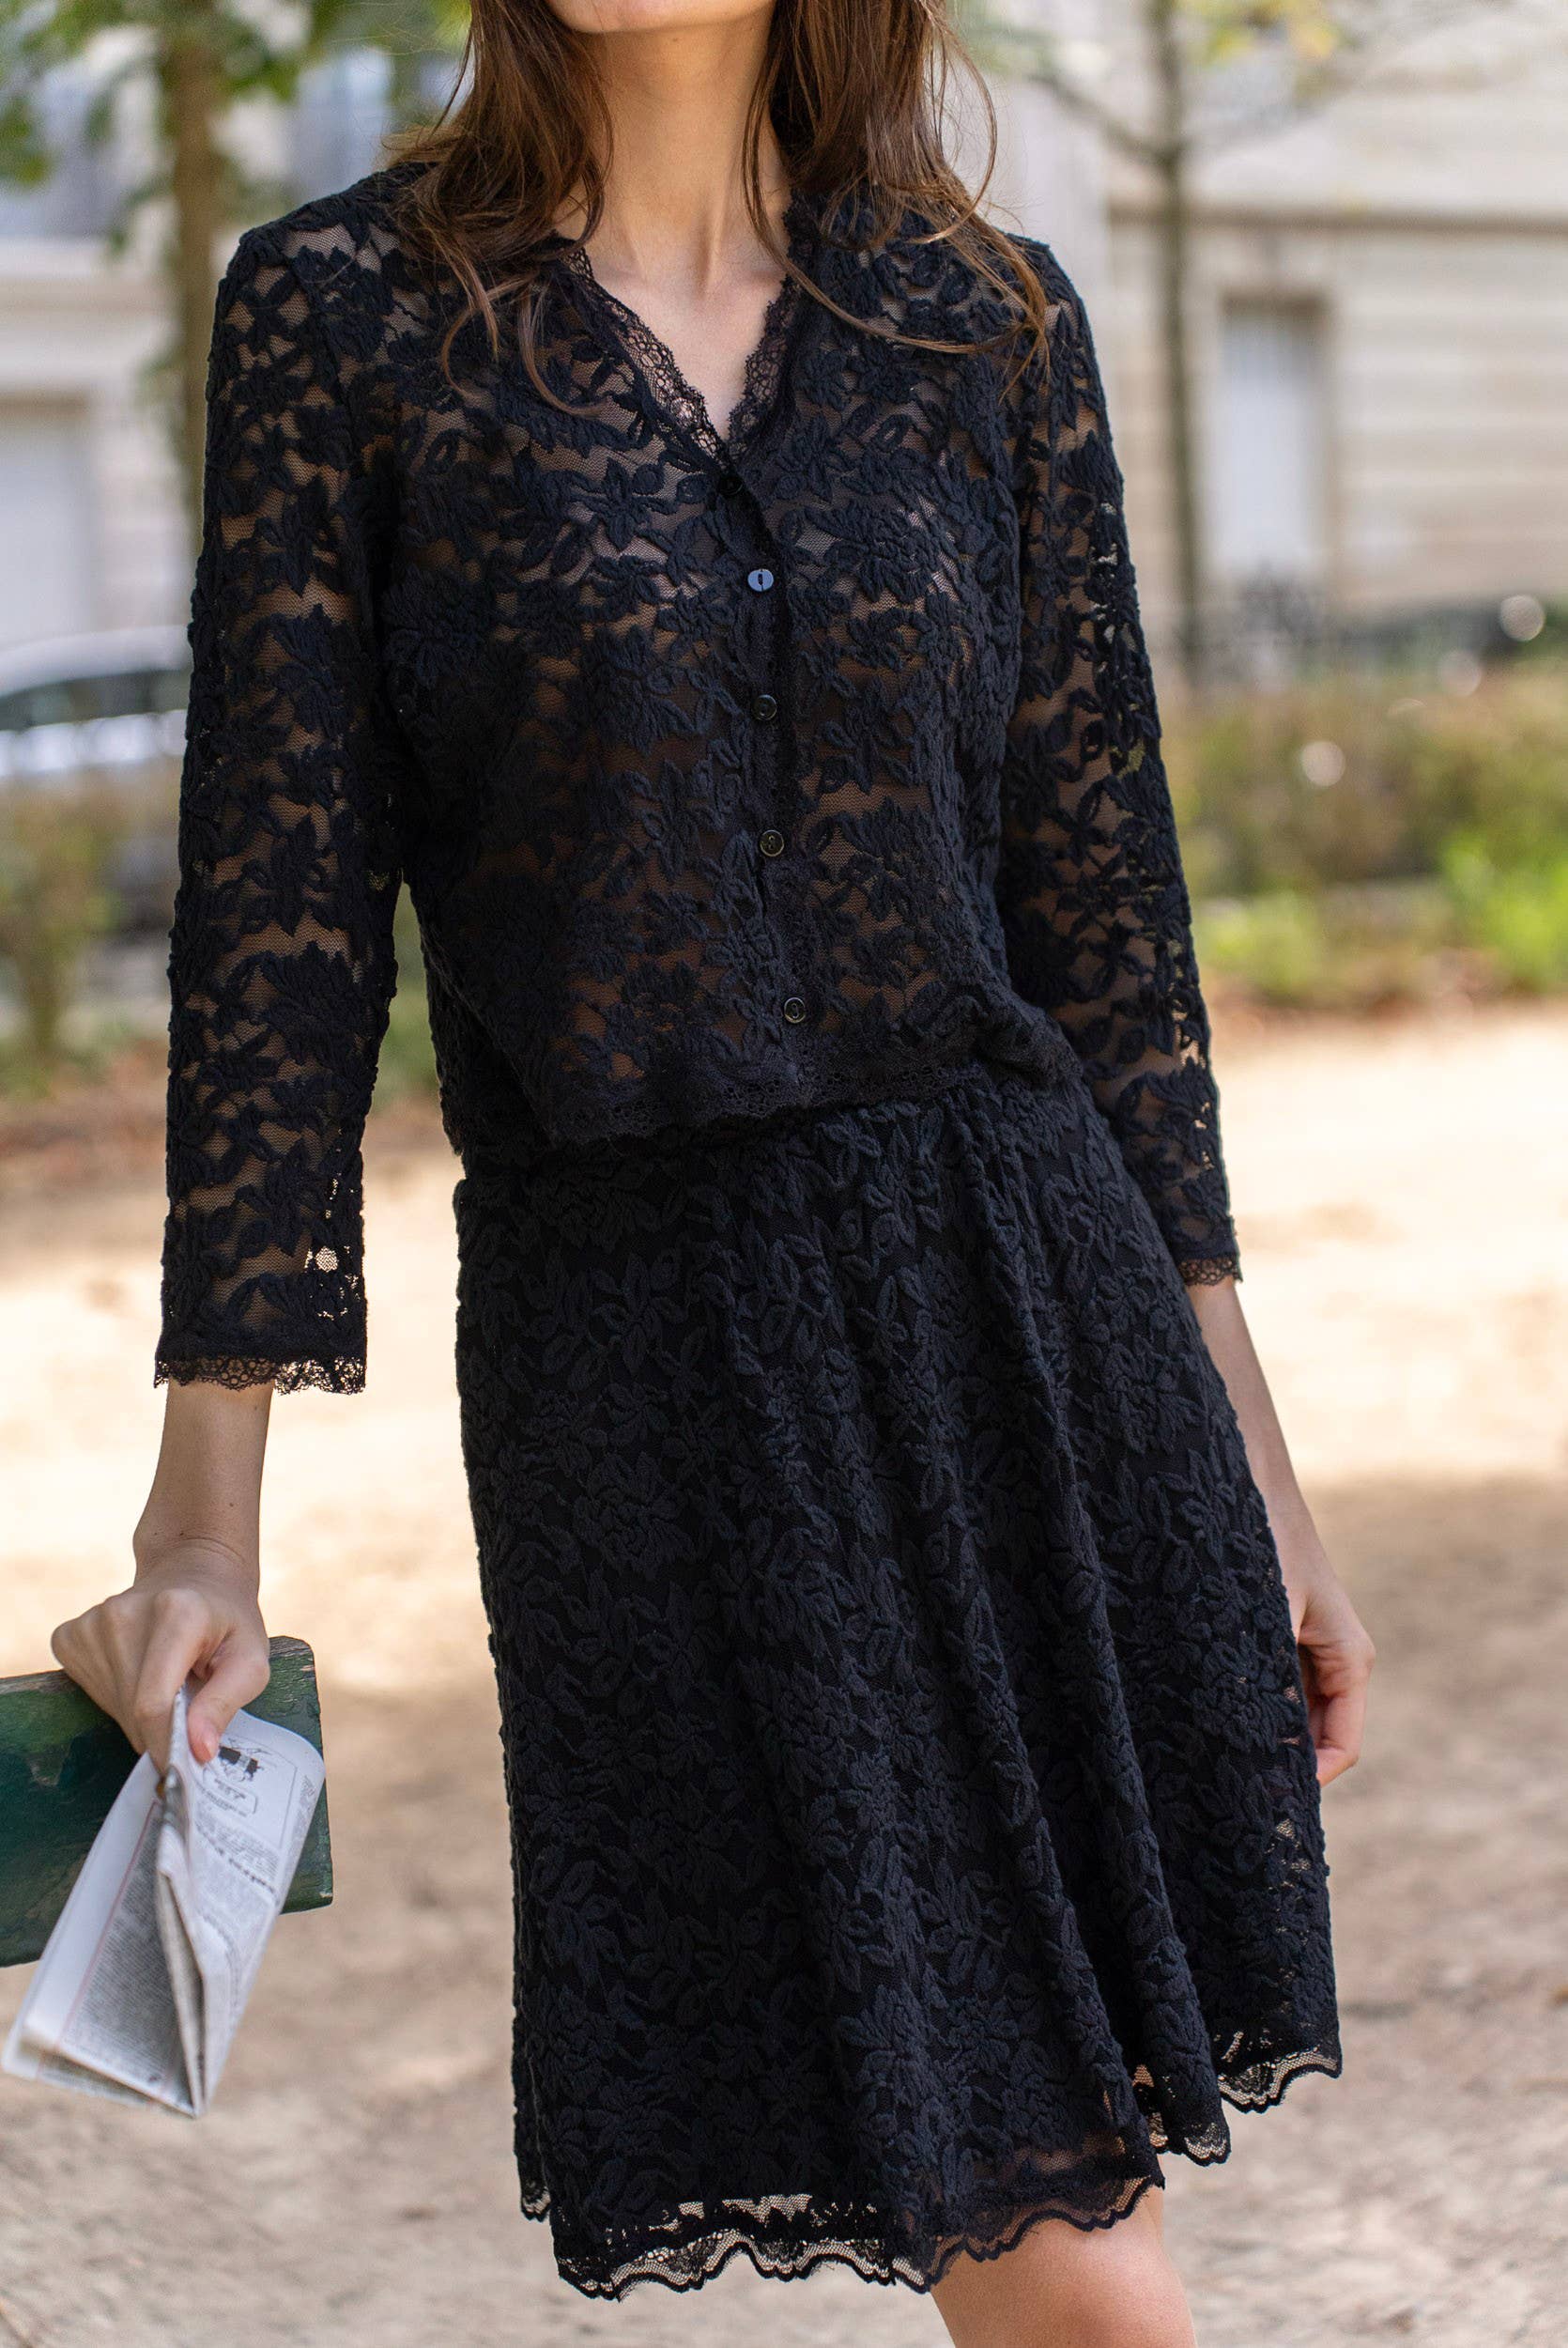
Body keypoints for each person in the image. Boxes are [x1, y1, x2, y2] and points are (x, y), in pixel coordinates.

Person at [50, 2, 1375, 2340]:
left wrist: (1250, 1461)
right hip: (659, 1377)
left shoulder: (989, 320)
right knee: (1052, 2225)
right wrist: (201, 1519)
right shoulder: (345, 321)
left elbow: (1109, 937)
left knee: (1061, 2204)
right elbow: (274, 943)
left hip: (1030, 1335)